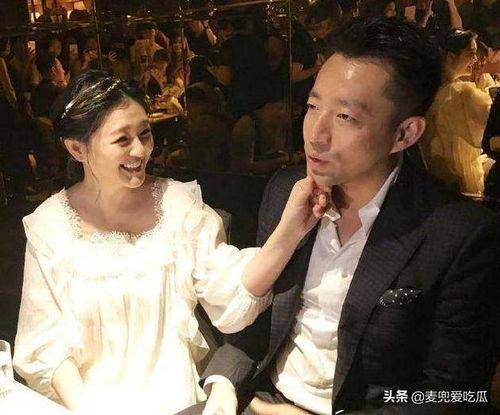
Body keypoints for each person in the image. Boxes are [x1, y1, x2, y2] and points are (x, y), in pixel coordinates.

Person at [182, 17, 500, 415]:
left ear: (405, 133)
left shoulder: (460, 234)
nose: (316, 134)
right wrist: (224, 384)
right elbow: (263, 320)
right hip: (262, 401)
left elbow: (455, 396)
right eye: (313, 106)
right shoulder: (288, 191)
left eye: (345, 117)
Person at [13, 70, 329, 415]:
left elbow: (230, 293)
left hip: (176, 401)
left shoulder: (178, 205)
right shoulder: (50, 225)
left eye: (144, 134)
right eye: (122, 140)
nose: (140, 150)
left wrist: (290, 229)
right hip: (87, 405)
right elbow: (46, 344)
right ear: (77, 148)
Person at [422, 30, 492, 196]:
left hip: (436, 180)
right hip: (461, 184)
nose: (475, 59)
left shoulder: (430, 90)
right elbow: (492, 122)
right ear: (451, 57)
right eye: (471, 53)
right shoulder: (459, 93)